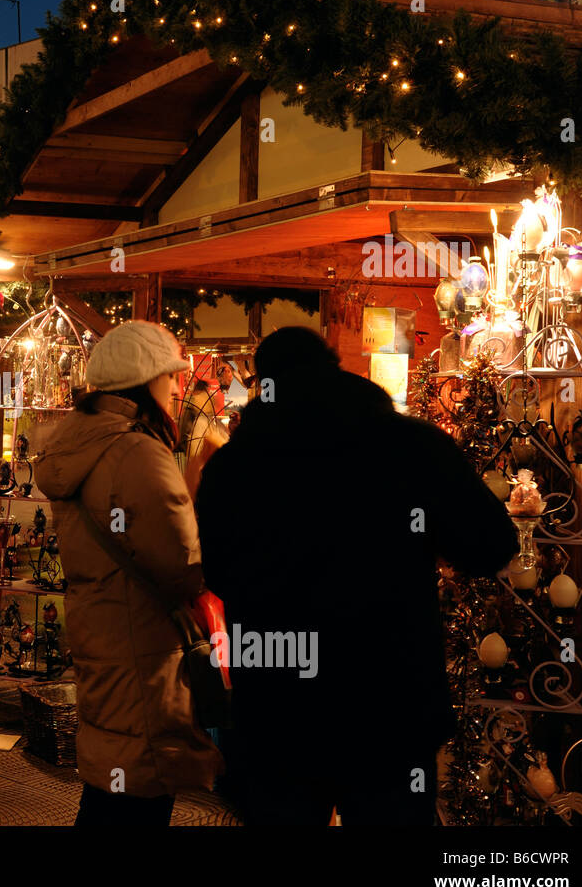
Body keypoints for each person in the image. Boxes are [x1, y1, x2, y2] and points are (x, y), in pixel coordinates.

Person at [194, 326, 518, 825]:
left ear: (265, 384)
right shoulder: (412, 447)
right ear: (334, 368)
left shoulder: (235, 466)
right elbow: (492, 544)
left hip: (280, 706)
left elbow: (217, 571)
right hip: (389, 703)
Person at [34, 321, 223, 826]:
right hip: (145, 644)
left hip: (102, 630)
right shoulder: (137, 452)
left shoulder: (77, 444)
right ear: (148, 382)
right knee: (137, 784)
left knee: (111, 772)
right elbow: (180, 565)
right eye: (173, 378)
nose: (179, 390)